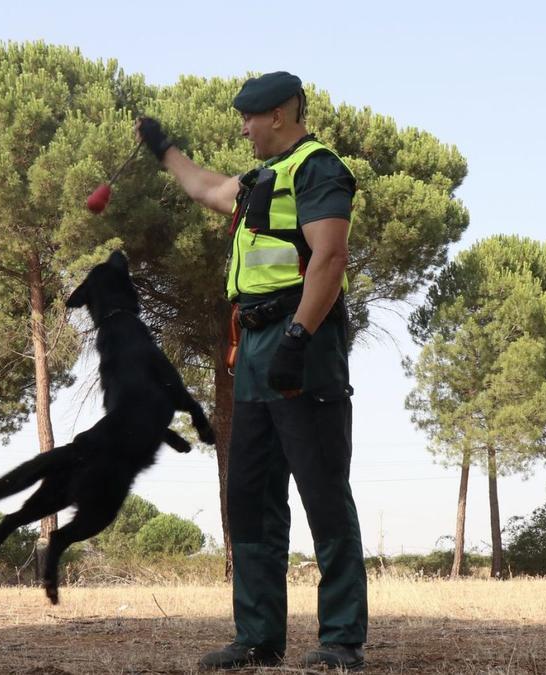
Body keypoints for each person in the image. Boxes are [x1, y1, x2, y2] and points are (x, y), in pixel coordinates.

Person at [135, 71, 367, 671]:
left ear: (282, 115)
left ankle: (341, 639)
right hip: (255, 347)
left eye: (250, 117)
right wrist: (164, 150)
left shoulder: (317, 168)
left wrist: (298, 335)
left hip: (301, 342)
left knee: (321, 491)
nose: (243, 127)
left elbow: (331, 256)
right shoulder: (263, 178)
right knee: (252, 496)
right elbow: (207, 187)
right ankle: (259, 637)